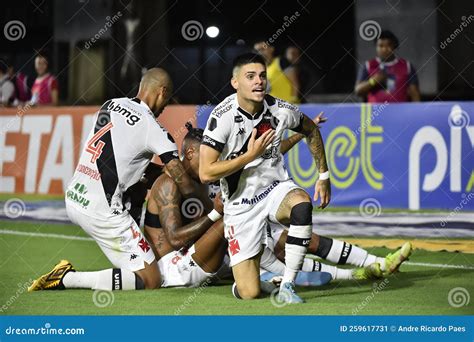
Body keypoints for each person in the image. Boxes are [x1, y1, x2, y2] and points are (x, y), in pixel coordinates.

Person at [28, 68, 207, 292]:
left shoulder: (109, 105)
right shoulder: (154, 128)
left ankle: (132, 254)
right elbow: (187, 187)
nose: (164, 108)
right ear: (162, 92)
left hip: (75, 196)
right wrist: (212, 203)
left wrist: (159, 173)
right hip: (102, 210)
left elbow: (118, 159)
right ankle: (67, 278)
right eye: (167, 100)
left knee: (138, 188)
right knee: (151, 280)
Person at [199, 53, 331, 303]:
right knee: (249, 293)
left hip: (274, 189)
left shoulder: (280, 110)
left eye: (262, 75)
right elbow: (205, 172)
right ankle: (268, 281)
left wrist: (323, 175)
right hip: (240, 205)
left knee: (302, 203)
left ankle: (288, 284)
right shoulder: (222, 116)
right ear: (235, 82)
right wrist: (249, 156)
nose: (259, 81)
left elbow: (310, 129)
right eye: (250, 77)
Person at [354, 30, 421, 103]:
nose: (384, 49)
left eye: (388, 45)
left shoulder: (407, 66)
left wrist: (417, 112)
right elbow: (358, 91)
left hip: (400, 112)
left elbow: (415, 94)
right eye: (381, 46)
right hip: (375, 112)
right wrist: (374, 81)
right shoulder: (368, 65)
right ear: (376, 47)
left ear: (394, 46)